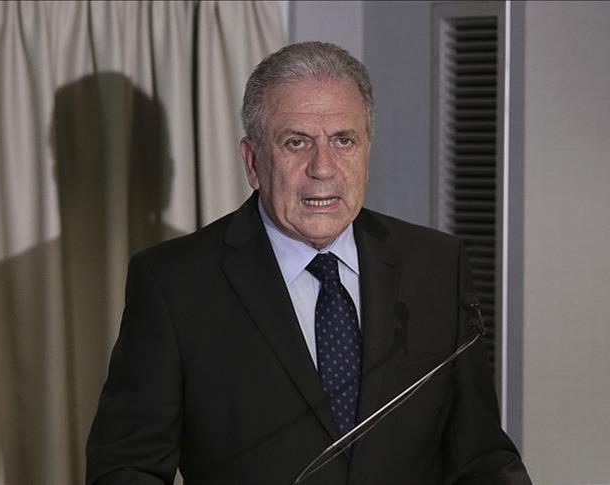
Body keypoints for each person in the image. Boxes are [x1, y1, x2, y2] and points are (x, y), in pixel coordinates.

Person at [86, 41, 531, 485]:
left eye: (343, 141)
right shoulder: (173, 283)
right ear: (253, 161)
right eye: (296, 142)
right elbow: (125, 469)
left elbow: (482, 458)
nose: (323, 168)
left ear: (366, 155)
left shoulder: (436, 266)